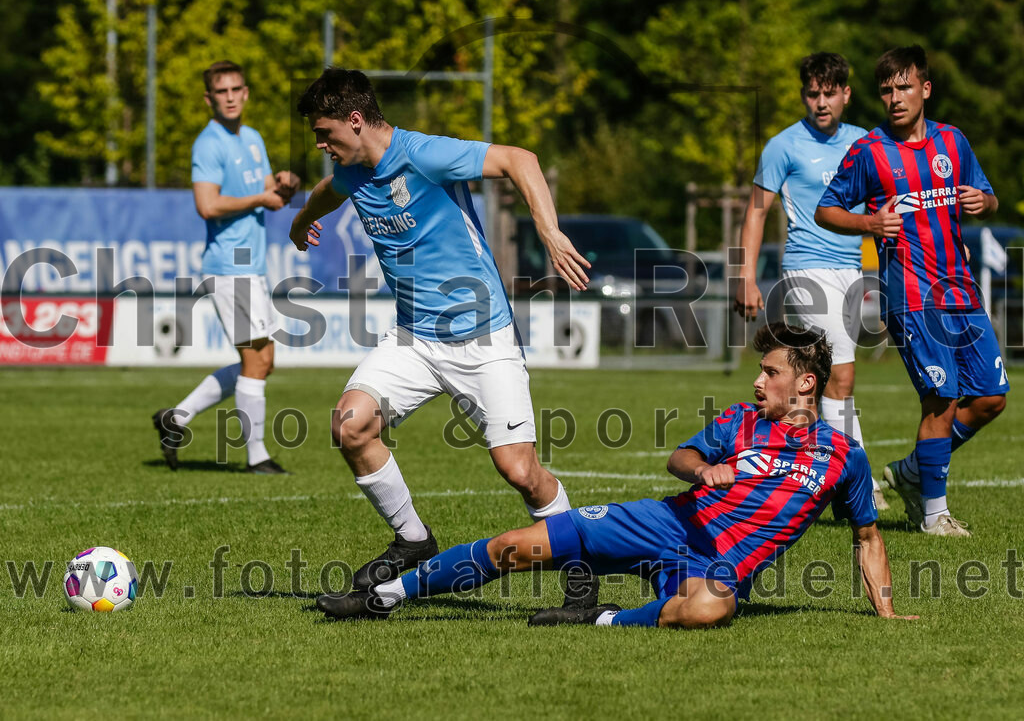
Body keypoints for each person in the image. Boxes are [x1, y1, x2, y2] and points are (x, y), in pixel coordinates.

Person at [315, 323, 916, 627]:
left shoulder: (844, 457)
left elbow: (868, 538)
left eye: (770, 372)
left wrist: (885, 612)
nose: (758, 381)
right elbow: (677, 459)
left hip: (712, 568)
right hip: (661, 521)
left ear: (805, 383)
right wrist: (705, 470)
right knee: (515, 547)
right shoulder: (738, 421)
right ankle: (387, 595)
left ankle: (605, 619)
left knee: (712, 608)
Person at [289, 68, 597, 603]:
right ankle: (412, 540)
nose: (321, 145)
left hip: (484, 339)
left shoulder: (424, 154)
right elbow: (326, 192)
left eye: (325, 133)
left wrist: (549, 232)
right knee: (350, 425)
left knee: (520, 471)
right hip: (414, 340)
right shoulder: (352, 170)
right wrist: (300, 222)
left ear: (356, 120)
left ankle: (580, 569)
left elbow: (519, 159)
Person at [816, 45, 1008, 536]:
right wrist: (869, 222)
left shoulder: (953, 141)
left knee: (990, 399)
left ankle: (910, 473)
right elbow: (826, 209)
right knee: (940, 400)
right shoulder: (870, 152)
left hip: (960, 291)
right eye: (886, 89)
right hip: (912, 296)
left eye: (904, 86)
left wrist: (982, 201)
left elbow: (987, 195)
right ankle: (934, 514)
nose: (895, 97)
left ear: (925, 88)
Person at [735, 51, 889, 510]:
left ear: (846, 94)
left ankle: (785, 469)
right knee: (841, 374)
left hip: (852, 270)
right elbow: (756, 212)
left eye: (829, 93)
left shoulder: (864, 143)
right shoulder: (782, 146)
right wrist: (744, 275)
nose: (820, 102)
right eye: (812, 93)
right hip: (806, 268)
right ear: (804, 95)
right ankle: (857, 483)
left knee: (814, 383)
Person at [153, 60, 298, 474]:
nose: (231, 97)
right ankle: (257, 459)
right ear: (209, 99)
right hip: (229, 265)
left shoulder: (252, 137)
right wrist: (260, 198)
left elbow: (267, 189)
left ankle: (176, 418)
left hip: (249, 264)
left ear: (246, 93)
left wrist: (283, 185)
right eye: (222, 91)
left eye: (237, 89)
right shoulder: (209, 144)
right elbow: (207, 205)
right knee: (257, 360)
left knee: (263, 359)